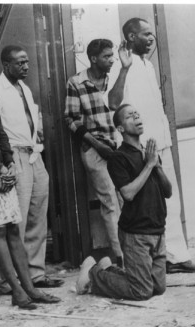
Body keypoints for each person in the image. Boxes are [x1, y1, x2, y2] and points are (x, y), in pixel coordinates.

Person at [0, 45, 61, 309]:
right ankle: (14, 286)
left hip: (18, 159)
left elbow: (0, 133)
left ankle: (31, 283)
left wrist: (6, 164)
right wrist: (4, 165)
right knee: (5, 229)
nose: (26, 66)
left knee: (25, 221)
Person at [108, 18, 195, 274]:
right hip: (140, 149)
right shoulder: (123, 65)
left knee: (169, 201)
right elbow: (112, 102)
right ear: (130, 37)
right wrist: (124, 69)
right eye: (146, 34)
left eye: (152, 34)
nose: (151, 39)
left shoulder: (148, 65)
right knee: (143, 203)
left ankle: (175, 257)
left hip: (160, 143)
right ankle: (147, 260)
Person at [0, 45, 63, 291]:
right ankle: (13, 280)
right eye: (20, 63)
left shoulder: (25, 89)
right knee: (16, 220)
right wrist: (5, 163)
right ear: (6, 65)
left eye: (27, 62)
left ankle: (35, 274)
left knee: (38, 215)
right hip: (14, 157)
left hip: (33, 155)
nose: (26, 66)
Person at [76, 104, 171, 300]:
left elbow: (168, 191)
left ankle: (109, 269)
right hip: (136, 232)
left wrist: (156, 166)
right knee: (142, 292)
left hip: (157, 230)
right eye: (130, 116)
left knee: (158, 288)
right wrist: (149, 166)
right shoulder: (118, 158)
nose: (136, 116)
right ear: (120, 129)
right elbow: (128, 193)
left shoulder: (149, 153)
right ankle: (94, 274)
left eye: (137, 113)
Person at [64, 39, 123, 267]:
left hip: (116, 148)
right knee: (109, 201)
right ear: (93, 58)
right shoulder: (77, 82)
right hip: (95, 149)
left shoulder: (112, 80)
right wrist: (98, 145)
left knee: (124, 198)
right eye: (107, 56)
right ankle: (121, 257)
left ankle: (131, 251)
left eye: (112, 56)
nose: (111, 60)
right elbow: (71, 119)